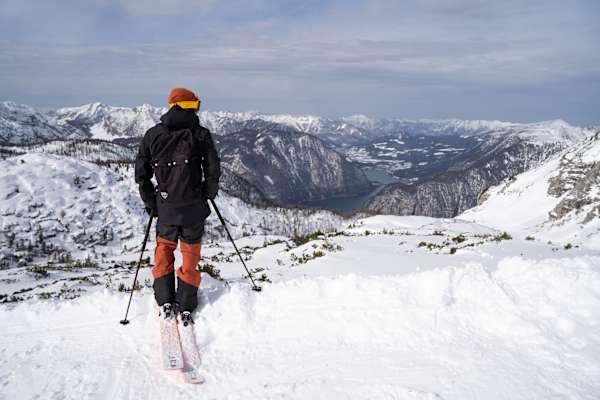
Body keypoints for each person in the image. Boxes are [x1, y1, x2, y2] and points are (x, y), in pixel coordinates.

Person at [134, 87, 221, 324]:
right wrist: (208, 192)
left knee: (164, 252)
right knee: (190, 255)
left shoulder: (153, 135)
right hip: (193, 208)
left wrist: (150, 200)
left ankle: (165, 300)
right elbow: (213, 169)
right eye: (195, 105)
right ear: (187, 106)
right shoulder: (200, 134)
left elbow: (141, 173)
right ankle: (186, 303)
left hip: (166, 209)